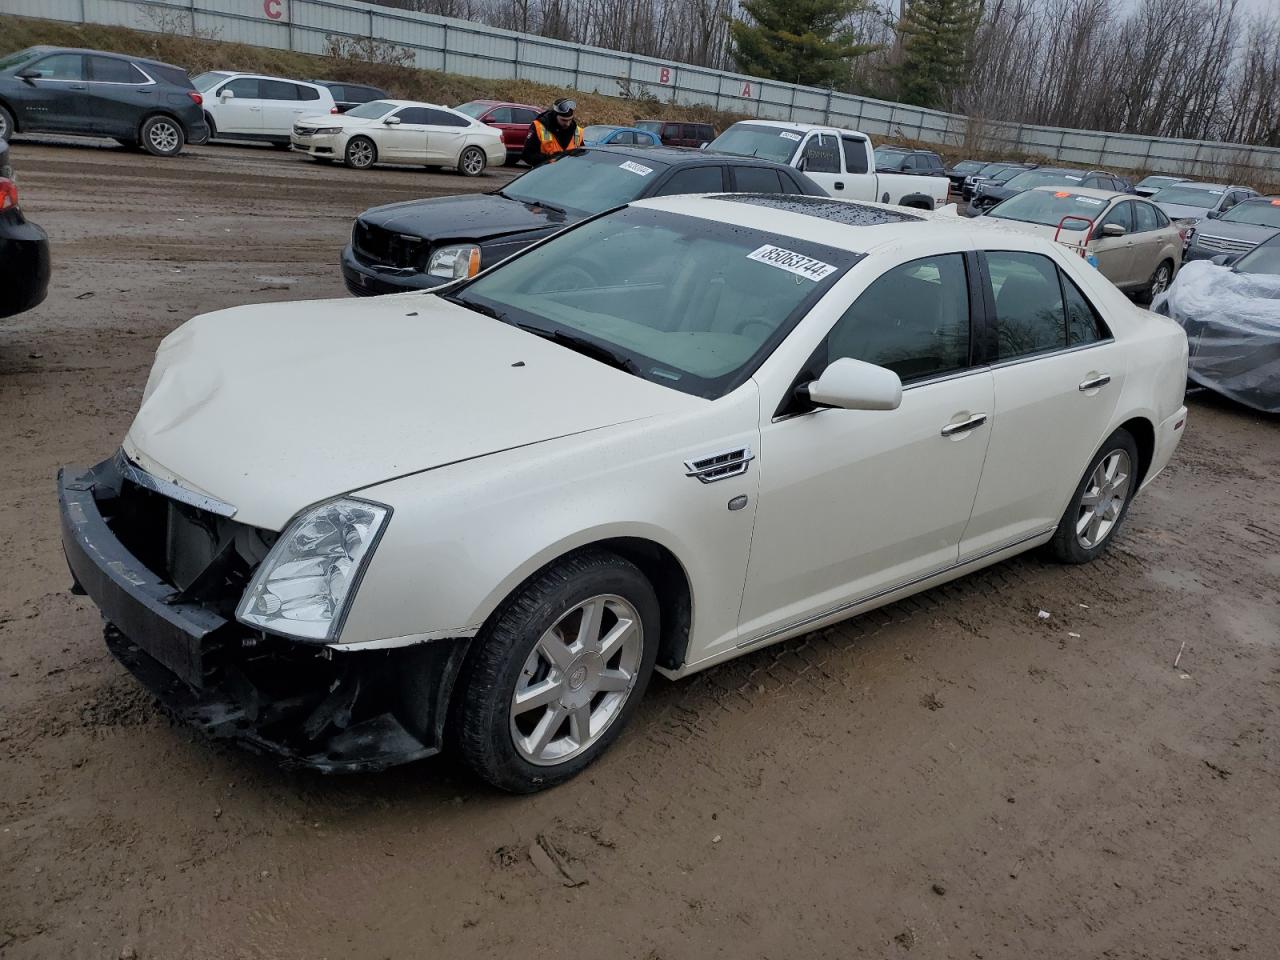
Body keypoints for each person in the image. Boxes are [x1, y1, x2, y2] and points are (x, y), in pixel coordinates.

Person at [521, 98, 584, 167]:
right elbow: (527, 155)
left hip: (568, 174)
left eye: (570, 120)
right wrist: (551, 159)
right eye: (564, 120)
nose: (567, 124)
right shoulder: (538, 126)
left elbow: (582, 155)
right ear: (555, 115)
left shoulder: (578, 131)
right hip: (545, 174)